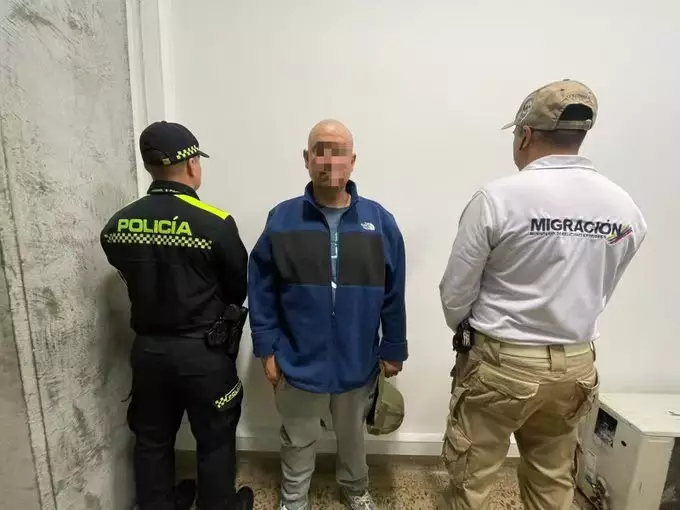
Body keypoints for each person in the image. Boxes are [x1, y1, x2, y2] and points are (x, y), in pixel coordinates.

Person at [438, 80, 647, 510]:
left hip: (501, 363)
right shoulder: (624, 208)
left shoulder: (497, 199)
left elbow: (455, 294)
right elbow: (604, 283)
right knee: (553, 480)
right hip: (575, 365)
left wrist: (470, 333)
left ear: (525, 134)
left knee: (471, 478)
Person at [248, 119, 408, 510]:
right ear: (307, 159)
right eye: (321, 150)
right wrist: (266, 347)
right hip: (298, 357)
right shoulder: (282, 219)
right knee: (298, 436)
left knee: (352, 435)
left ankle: (355, 489)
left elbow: (394, 290)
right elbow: (261, 288)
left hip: (358, 358)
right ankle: (293, 499)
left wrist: (394, 346)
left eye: (339, 152)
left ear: (352, 161)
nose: (330, 160)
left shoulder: (380, 222)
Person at [100, 121, 254, 510]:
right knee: (214, 438)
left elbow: (125, 270)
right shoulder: (215, 223)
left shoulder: (117, 225)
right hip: (203, 353)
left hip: (148, 351)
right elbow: (237, 287)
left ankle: (160, 503)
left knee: (151, 438)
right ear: (190, 164)